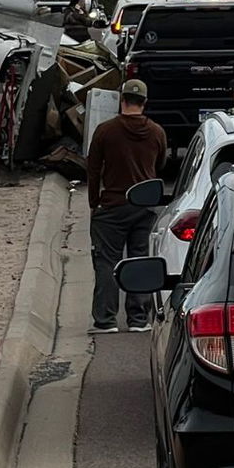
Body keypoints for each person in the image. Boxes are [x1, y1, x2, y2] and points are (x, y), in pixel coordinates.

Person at [86, 79, 167, 334]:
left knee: (107, 261)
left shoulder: (105, 131)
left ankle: (106, 319)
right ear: (144, 102)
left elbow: (93, 169)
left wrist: (93, 203)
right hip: (143, 207)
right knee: (139, 259)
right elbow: (160, 165)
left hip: (112, 205)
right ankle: (138, 319)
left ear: (122, 101)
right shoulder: (156, 132)